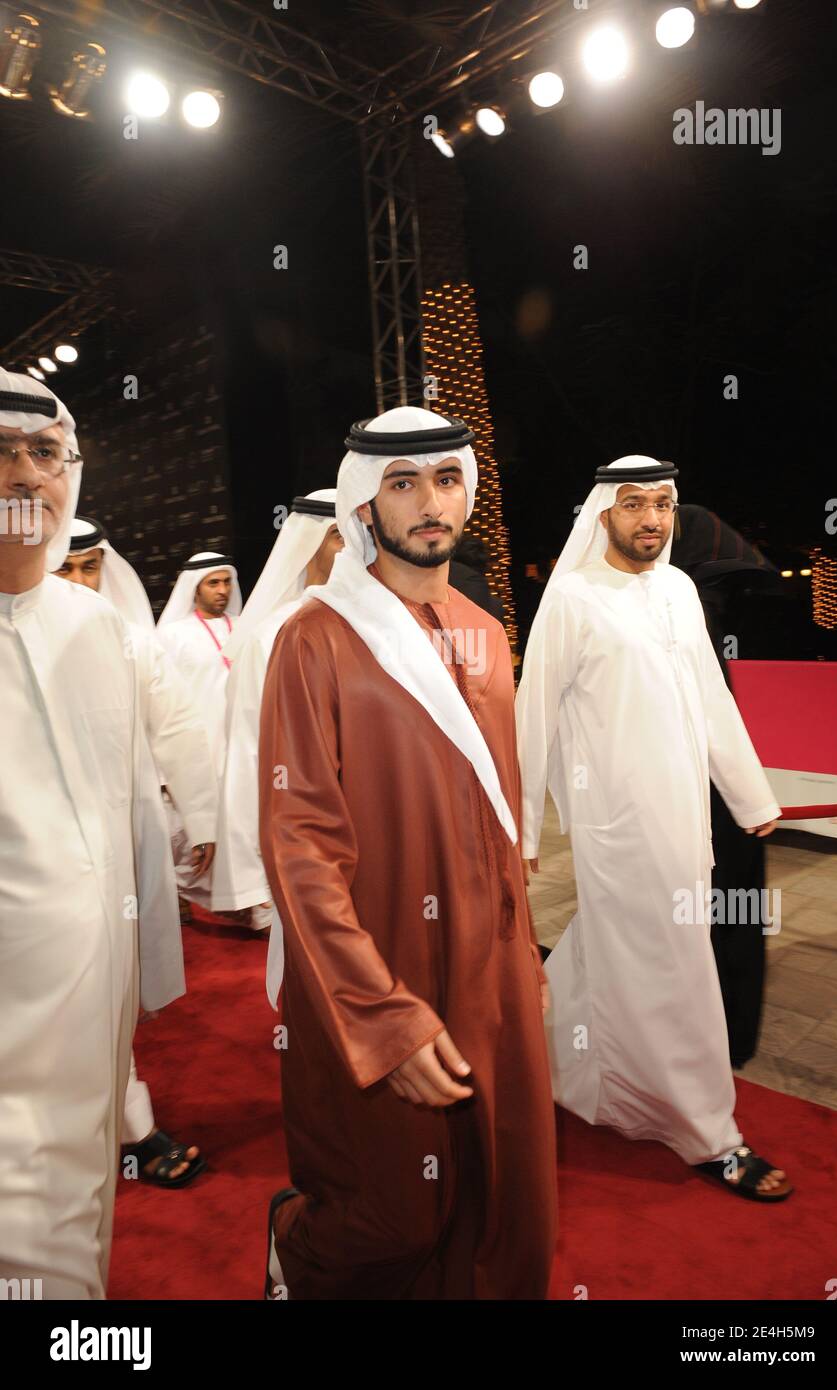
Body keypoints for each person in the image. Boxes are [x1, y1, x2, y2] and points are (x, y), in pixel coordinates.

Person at [258, 406, 556, 1299]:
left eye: (446, 478)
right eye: (402, 483)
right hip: (376, 961)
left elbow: (499, 818)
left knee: (505, 1198)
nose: (429, 501)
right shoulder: (313, 638)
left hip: (492, 966)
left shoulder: (488, 634)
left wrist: (523, 951)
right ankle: (289, 1251)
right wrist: (376, 1011)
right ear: (365, 505)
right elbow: (299, 844)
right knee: (389, 1211)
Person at [515, 455, 793, 1203]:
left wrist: (748, 795)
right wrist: (521, 835)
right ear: (603, 511)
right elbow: (531, 715)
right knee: (679, 967)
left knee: (621, 955)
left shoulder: (675, 589)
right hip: (615, 824)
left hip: (684, 820)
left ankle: (555, 1065)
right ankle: (709, 1132)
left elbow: (709, 698)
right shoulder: (572, 598)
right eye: (634, 503)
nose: (650, 518)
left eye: (663, 503)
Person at [0, 369, 184, 1299]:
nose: (26, 475)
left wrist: (147, 964)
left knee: (80, 1227)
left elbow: (130, 802)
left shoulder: (96, 626)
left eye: (44, 453)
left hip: (93, 1016)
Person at [56, 517, 214, 1186]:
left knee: (108, 996)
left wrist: (202, 816)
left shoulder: (124, 639)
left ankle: (128, 1128)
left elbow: (173, 721)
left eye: (90, 567)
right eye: (68, 568)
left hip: (113, 852)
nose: (79, 582)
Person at [671, 503, 786, 1066]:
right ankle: (731, 1032)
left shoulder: (686, 608)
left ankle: (715, 1032)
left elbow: (707, 713)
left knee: (708, 915)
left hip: (703, 788)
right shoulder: (711, 602)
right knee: (732, 913)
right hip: (725, 789)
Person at [211, 491, 341, 941]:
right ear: (307, 545)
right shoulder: (273, 636)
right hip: (305, 844)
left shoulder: (389, 626)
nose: (357, 545)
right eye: (339, 535)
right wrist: (250, 869)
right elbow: (249, 752)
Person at [156, 551, 242, 916]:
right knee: (187, 828)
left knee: (238, 823)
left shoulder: (245, 625)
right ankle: (180, 888)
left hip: (238, 743)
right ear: (194, 587)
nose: (222, 590)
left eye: (227, 582)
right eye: (213, 583)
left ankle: (243, 900)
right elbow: (161, 702)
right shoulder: (172, 635)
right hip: (195, 746)